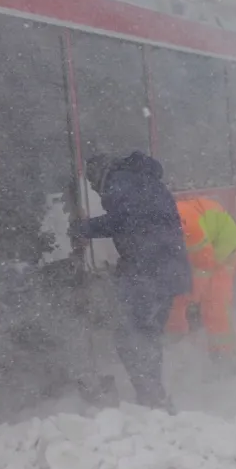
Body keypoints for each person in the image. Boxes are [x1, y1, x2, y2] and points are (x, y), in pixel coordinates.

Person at [70, 151, 191, 410]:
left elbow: (125, 219)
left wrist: (84, 229)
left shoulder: (120, 182)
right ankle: (152, 395)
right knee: (145, 335)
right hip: (165, 270)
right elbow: (138, 221)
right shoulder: (141, 180)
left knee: (131, 337)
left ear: (99, 173)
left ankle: (152, 398)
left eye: (92, 182)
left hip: (148, 272)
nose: (94, 188)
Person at [165, 196, 236, 363]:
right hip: (201, 250)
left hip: (223, 246)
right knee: (177, 296)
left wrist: (192, 295)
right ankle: (175, 340)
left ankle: (223, 356)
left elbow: (203, 267)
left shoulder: (187, 227)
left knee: (215, 303)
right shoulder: (161, 224)